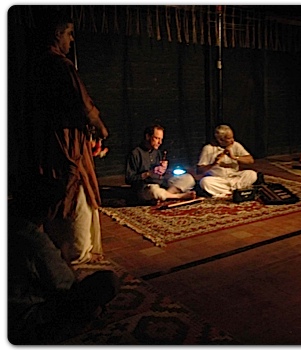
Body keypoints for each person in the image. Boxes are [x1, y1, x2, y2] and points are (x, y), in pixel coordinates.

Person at [25, 11, 109, 265]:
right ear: (58, 34)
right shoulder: (60, 65)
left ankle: (53, 247)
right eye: (69, 34)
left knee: (57, 189)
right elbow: (83, 105)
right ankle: (75, 251)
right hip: (65, 144)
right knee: (73, 192)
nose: (72, 40)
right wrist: (101, 128)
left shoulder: (34, 65)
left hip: (47, 143)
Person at [8, 176, 120, 344]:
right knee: (108, 281)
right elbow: (65, 285)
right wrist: (64, 260)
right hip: (24, 321)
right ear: (49, 210)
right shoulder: (35, 241)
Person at [125, 124, 197, 203]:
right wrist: (148, 174)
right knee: (154, 191)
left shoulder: (157, 152)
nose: (160, 142)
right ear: (148, 136)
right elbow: (129, 179)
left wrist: (164, 170)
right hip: (145, 187)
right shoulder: (135, 153)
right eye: (156, 138)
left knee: (188, 178)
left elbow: (162, 176)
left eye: (161, 139)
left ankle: (164, 196)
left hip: (161, 184)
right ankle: (178, 196)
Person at [197, 124, 258, 198]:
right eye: (229, 138)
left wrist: (235, 157)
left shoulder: (235, 145)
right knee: (204, 182)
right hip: (218, 179)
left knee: (251, 174)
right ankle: (235, 191)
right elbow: (199, 170)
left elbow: (250, 160)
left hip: (234, 177)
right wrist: (214, 163)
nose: (232, 140)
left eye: (232, 137)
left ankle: (227, 192)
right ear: (220, 140)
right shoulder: (208, 148)